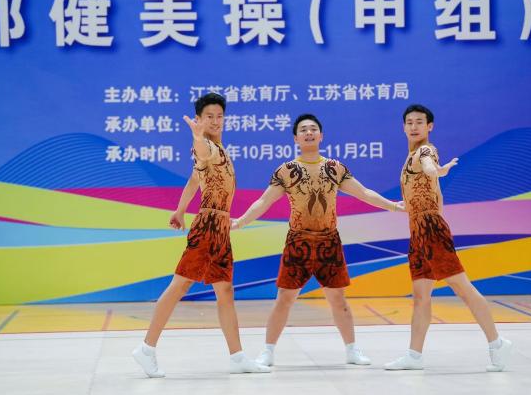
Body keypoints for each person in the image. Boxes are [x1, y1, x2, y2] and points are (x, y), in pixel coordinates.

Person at [232, 113, 403, 367]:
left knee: (338, 300)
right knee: (284, 299)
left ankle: (352, 350)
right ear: (296, 138)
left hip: (329, 243)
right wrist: (240, 222)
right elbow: (264, 201)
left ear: (321, 136)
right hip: (298, 243)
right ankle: (267, 351)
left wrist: (394, 206)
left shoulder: (334, 168)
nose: (309, 133)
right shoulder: (286, 171)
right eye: (303, 130)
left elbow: (364, 193)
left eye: (313, 129)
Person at [132, 93, 270, 377]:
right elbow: (202, 151)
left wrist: (180, 210)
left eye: (219, 116)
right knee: (180, 285)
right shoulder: (206, 147)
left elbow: (195, 179)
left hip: (221, 228)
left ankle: (237, 356)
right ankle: (146, 349)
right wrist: (197, 136)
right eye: (209, 117)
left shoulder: (218, 147)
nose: (216, 121)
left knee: (225, 291)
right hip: (207, 227)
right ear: (199, 120)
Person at [384, 104, 512, 372]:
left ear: (429, 126)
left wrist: (438, 171)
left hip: (430, 230)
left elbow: (431, 168)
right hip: (419, 231)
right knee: (421, 295)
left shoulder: (425, 151)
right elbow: (437, 194)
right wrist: (418, 209)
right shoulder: (410, 157)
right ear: (403, 127)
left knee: (462, 287)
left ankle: (497, 342)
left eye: (420, 122)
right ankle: (414, 356)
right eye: (409, 122)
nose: (414, 126)